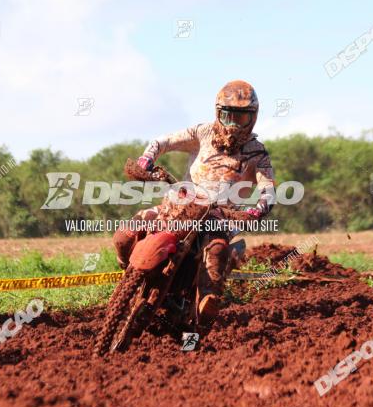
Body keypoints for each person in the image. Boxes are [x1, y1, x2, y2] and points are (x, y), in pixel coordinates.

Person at [112, 80, 276, 323]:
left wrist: (257, 209)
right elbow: (162, 141)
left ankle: (205, 305)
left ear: (252, 118)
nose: (232, 124)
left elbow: (268, 188)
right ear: (217, 113)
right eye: (227, 116)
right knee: (127, 233)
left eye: (239, 118)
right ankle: (128, 271)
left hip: (221, 215)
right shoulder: (203, 133)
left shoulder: (257, 153)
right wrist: (146, 159)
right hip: (181, 204)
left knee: (216, 251)